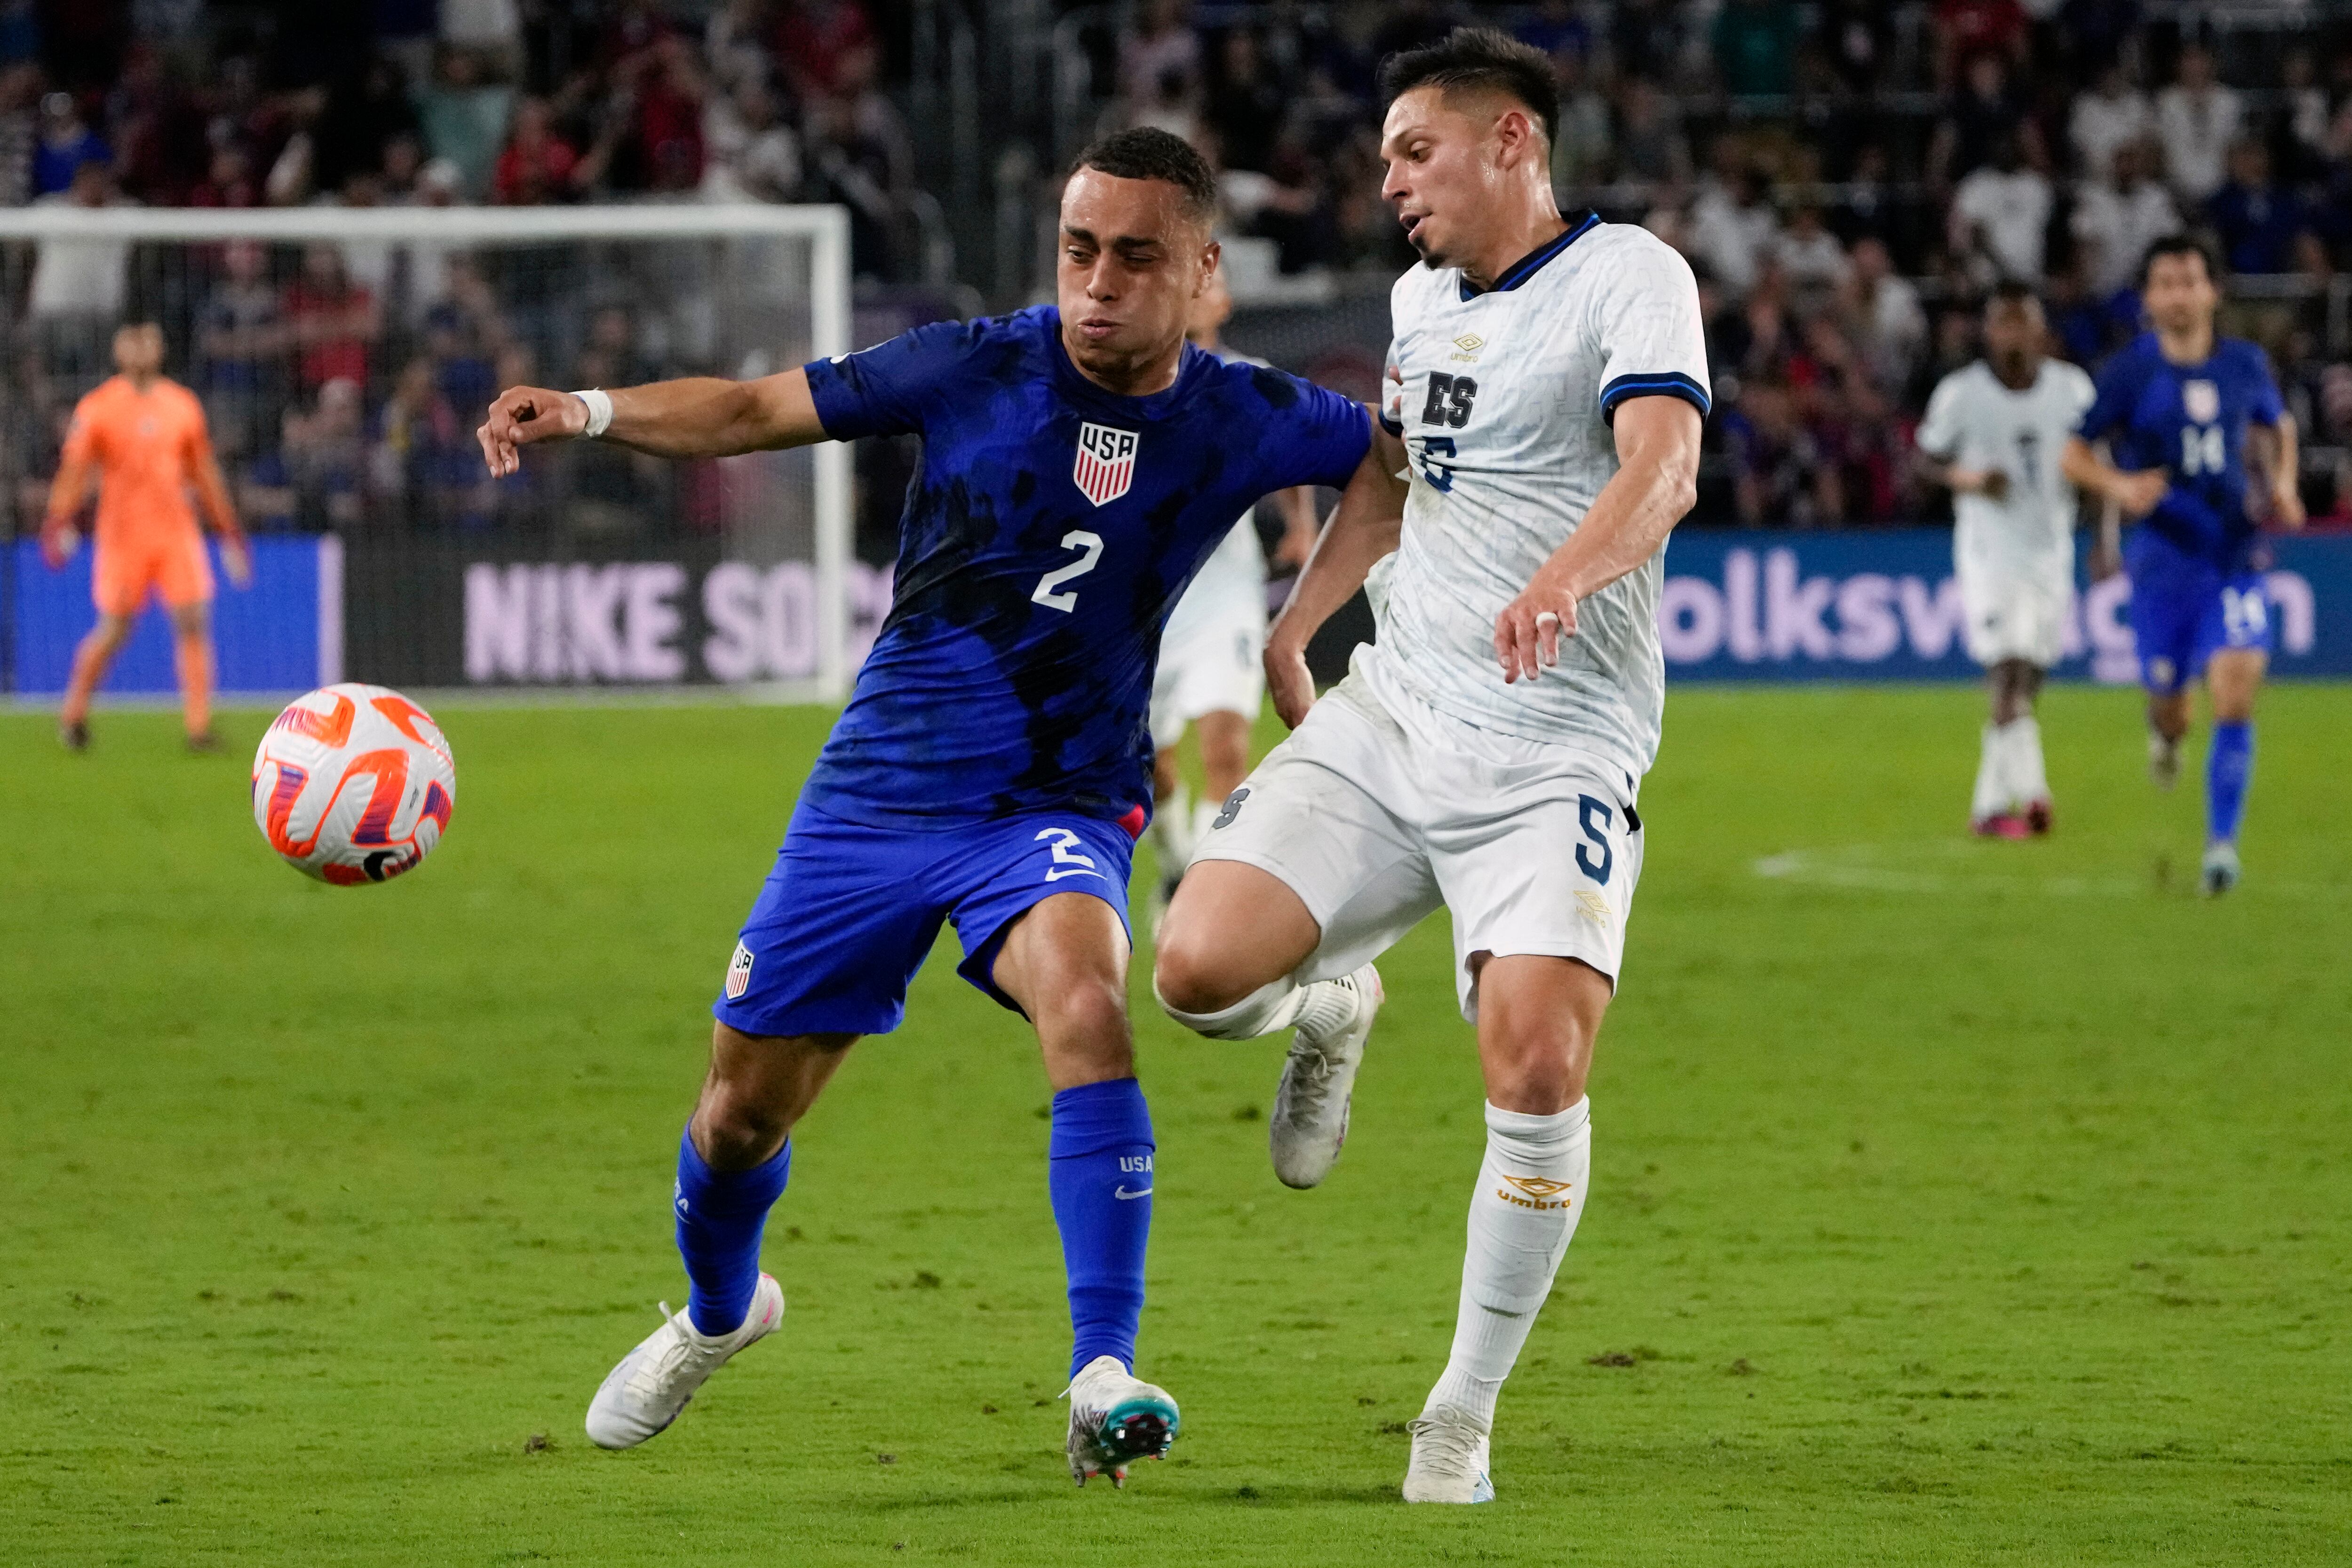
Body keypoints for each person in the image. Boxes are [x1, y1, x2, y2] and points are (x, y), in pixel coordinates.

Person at [473, 127, 1376, 1483]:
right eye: (1079, 250)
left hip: (1056, 797)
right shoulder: (974, 364)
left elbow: (1402, 460)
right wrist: (590, 411)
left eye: (1136, 258)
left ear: (1204, 272)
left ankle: (1103, 1369)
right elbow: (749, 412)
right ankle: (721, 1311)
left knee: (1088, 1002)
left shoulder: (1252, 412)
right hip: (878, 796)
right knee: (738, 1114)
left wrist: (1305, 623)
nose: (1098, 282)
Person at [1149, 29, 1708, 1503]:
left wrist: (1562, 581)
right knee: (1194, 970)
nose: (1390, 182)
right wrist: (1300, 622)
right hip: (1394, 715)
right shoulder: (1417, 303)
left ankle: (1459, 1408)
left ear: (1511, 139)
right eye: (1386, 159)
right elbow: (1390, 480)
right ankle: (1334, 1001)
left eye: (1415, 151)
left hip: (1556, 749)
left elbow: (1663, 465)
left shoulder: (1628, 277)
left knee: (1538, 1062)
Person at [2061, 236, 2303, 894]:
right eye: (2165, 283)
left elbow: (2278, 425)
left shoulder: (2244, 364)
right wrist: (2118, 486)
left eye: (2189, 282)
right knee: (2171, 706)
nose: (2177, 295)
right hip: (2164, 561)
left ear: (2212, 292)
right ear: (2148, 298)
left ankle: (2221, 846)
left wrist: (2285, 485)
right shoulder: (2129, 372)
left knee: (2235, 691)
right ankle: (2166, 736)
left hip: (2234, 552)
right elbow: (2073, 453)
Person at [1146, 259, 1319, 920]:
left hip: (1226, 593)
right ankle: (1174, 865)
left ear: (1222, 306)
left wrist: (1300, 526)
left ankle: (1202, 898)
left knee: (1225, 750)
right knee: (1152, 768)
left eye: (1209, 287)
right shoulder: (1133, 379)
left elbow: (1293, 452)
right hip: (1148, 602)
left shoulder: (1248, 380)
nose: (1198, 296)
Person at [1915, 283, 2096, 836]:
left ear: (2041, 331)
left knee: (2030, 678)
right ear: (1988, 332)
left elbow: (2098, 461)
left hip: (2051, 549)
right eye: (2003, 323)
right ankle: (2034, 794)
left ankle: (1988, 809)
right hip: (1989, 551)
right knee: (2007, 671)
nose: (2013, 334)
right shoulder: (1961, 394)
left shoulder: (2071, 390)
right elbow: (1922, 460)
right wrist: (1967, 479)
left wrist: (2105, 537)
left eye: (2023, 322)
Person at [40, 322, 253, 752]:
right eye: (132, 341)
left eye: (148, 340)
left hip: (176, 532)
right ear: (118, 350)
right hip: (123, 537)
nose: (140, 349)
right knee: (116, 629)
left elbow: (204, 472)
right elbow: (75, 470)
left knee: (193, 620)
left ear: (161, 348)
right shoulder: (98, 408)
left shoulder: (182, 405)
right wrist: (57, 520)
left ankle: (198, 727)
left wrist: (229, 528)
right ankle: (74, 714)